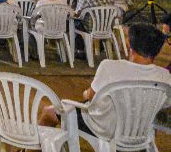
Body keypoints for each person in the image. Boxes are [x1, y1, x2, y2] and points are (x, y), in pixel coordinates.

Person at [38, 23, 171, 135]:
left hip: (105, 129)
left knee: (49, 111)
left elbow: (90, 96)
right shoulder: (165, 77)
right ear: (158, 50)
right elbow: (164, 105)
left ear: (129, 43)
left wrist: (85, 93)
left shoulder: (110, 67)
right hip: (140, 131)